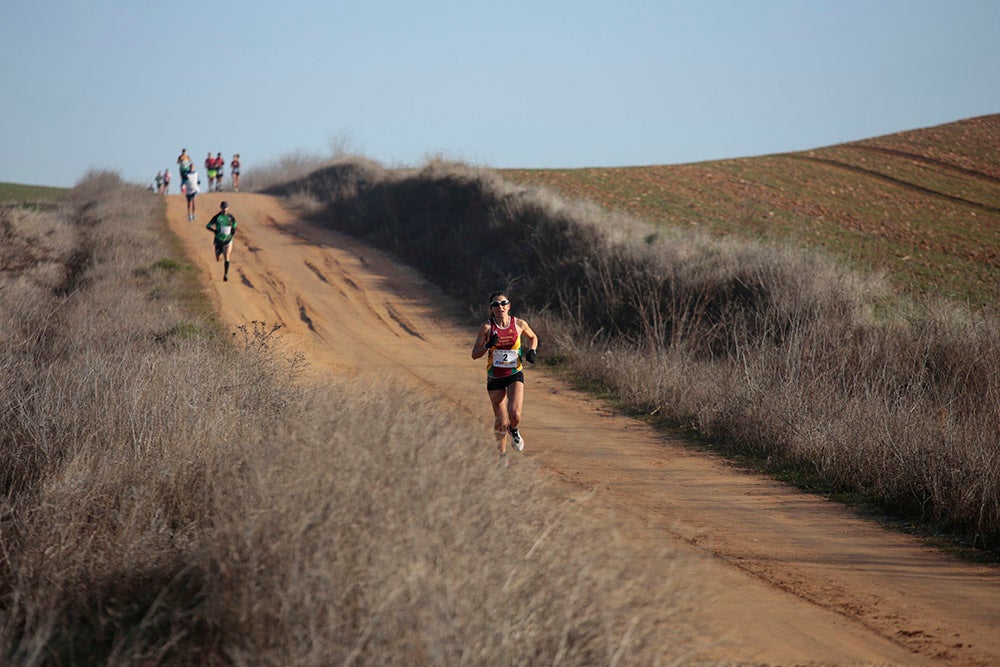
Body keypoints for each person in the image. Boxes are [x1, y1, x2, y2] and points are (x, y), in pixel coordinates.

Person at [470, 292, 539, 466]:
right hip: (495, 376)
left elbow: (533, 337)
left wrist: (532, 351)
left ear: (509, 306)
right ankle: (501, 456)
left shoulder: (519, 324)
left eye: (503, 303)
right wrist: (487, 345)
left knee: (514, 413)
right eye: (495, 304)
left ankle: (514, 430)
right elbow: (474, 354)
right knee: (501, 420)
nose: (500, 307)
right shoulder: (487, 328)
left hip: (515, 373)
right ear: (491, 309)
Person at [206, 201, 237, 281]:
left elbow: (235, 223)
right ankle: (220, 253)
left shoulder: (230, 217)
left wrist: (233, 228)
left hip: (228, 239)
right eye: (223, 208)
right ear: (220, 208)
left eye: (226, 208)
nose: (224, 210)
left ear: (228, 208)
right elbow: (208, 226)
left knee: (227, 255)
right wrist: (214, 231)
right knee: (218, 259)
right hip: (218, 240)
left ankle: (226, 275)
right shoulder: (217, 217)